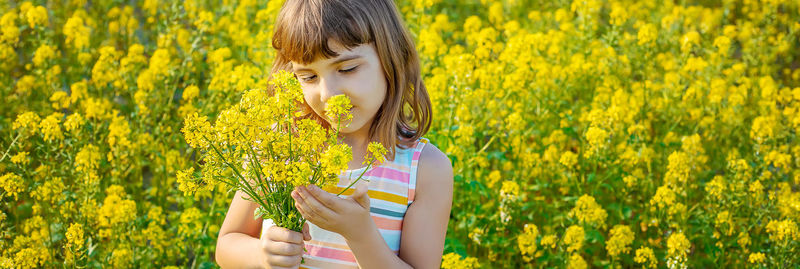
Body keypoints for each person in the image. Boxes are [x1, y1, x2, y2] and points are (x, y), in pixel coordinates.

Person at [215, 0, 454, 268]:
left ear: (391, 58)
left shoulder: (425, 170)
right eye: (308, 77)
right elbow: (227, 244)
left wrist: (360, 234)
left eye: (347, 69)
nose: (328, 94)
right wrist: (262, 254)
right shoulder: (278, 145)